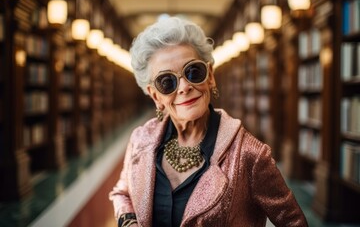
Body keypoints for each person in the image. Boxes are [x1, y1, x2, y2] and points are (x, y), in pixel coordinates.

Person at [109, 16, 308, 227]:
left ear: (210, 75)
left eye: (193, 72)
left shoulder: (250, 155)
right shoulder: (140, 140)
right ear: (156, 96)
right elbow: (122, 192)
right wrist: (128, 220)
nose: (184, 87)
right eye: (167, 82)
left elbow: (293, 222)